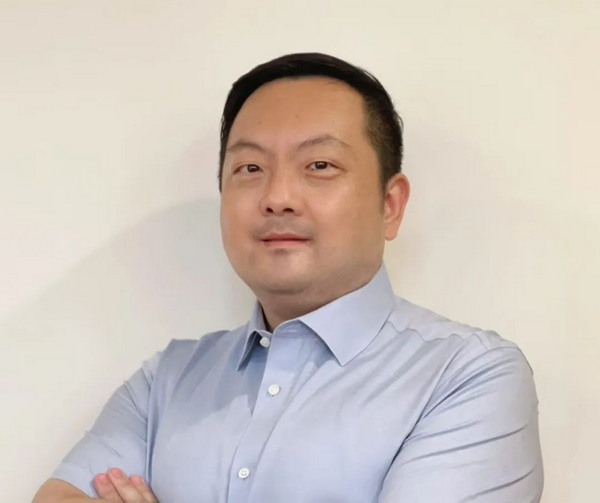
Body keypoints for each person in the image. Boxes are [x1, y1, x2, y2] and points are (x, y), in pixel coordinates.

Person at [33, 53, 543, 503]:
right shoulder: (167, 380)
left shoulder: (467, 376)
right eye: (250, 169)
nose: (278, 197)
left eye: (319, 164)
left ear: (390, 205)